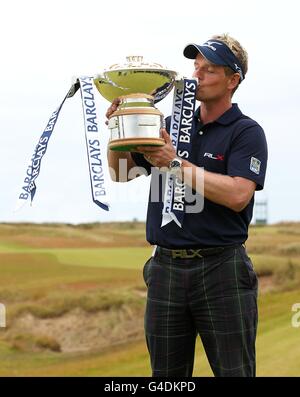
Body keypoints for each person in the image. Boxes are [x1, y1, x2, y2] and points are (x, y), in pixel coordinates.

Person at [106, 34, 268, 377]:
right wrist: (118, 130)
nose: (197, 75)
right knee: (166, 378)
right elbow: (121, 173)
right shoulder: (167, 127)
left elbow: (239, 194)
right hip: (165, 268)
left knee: (235, 372)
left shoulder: (246, 132)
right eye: (196, 68)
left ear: (233, 79)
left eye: (209, 70)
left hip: (222, 269)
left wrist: (174, 163)